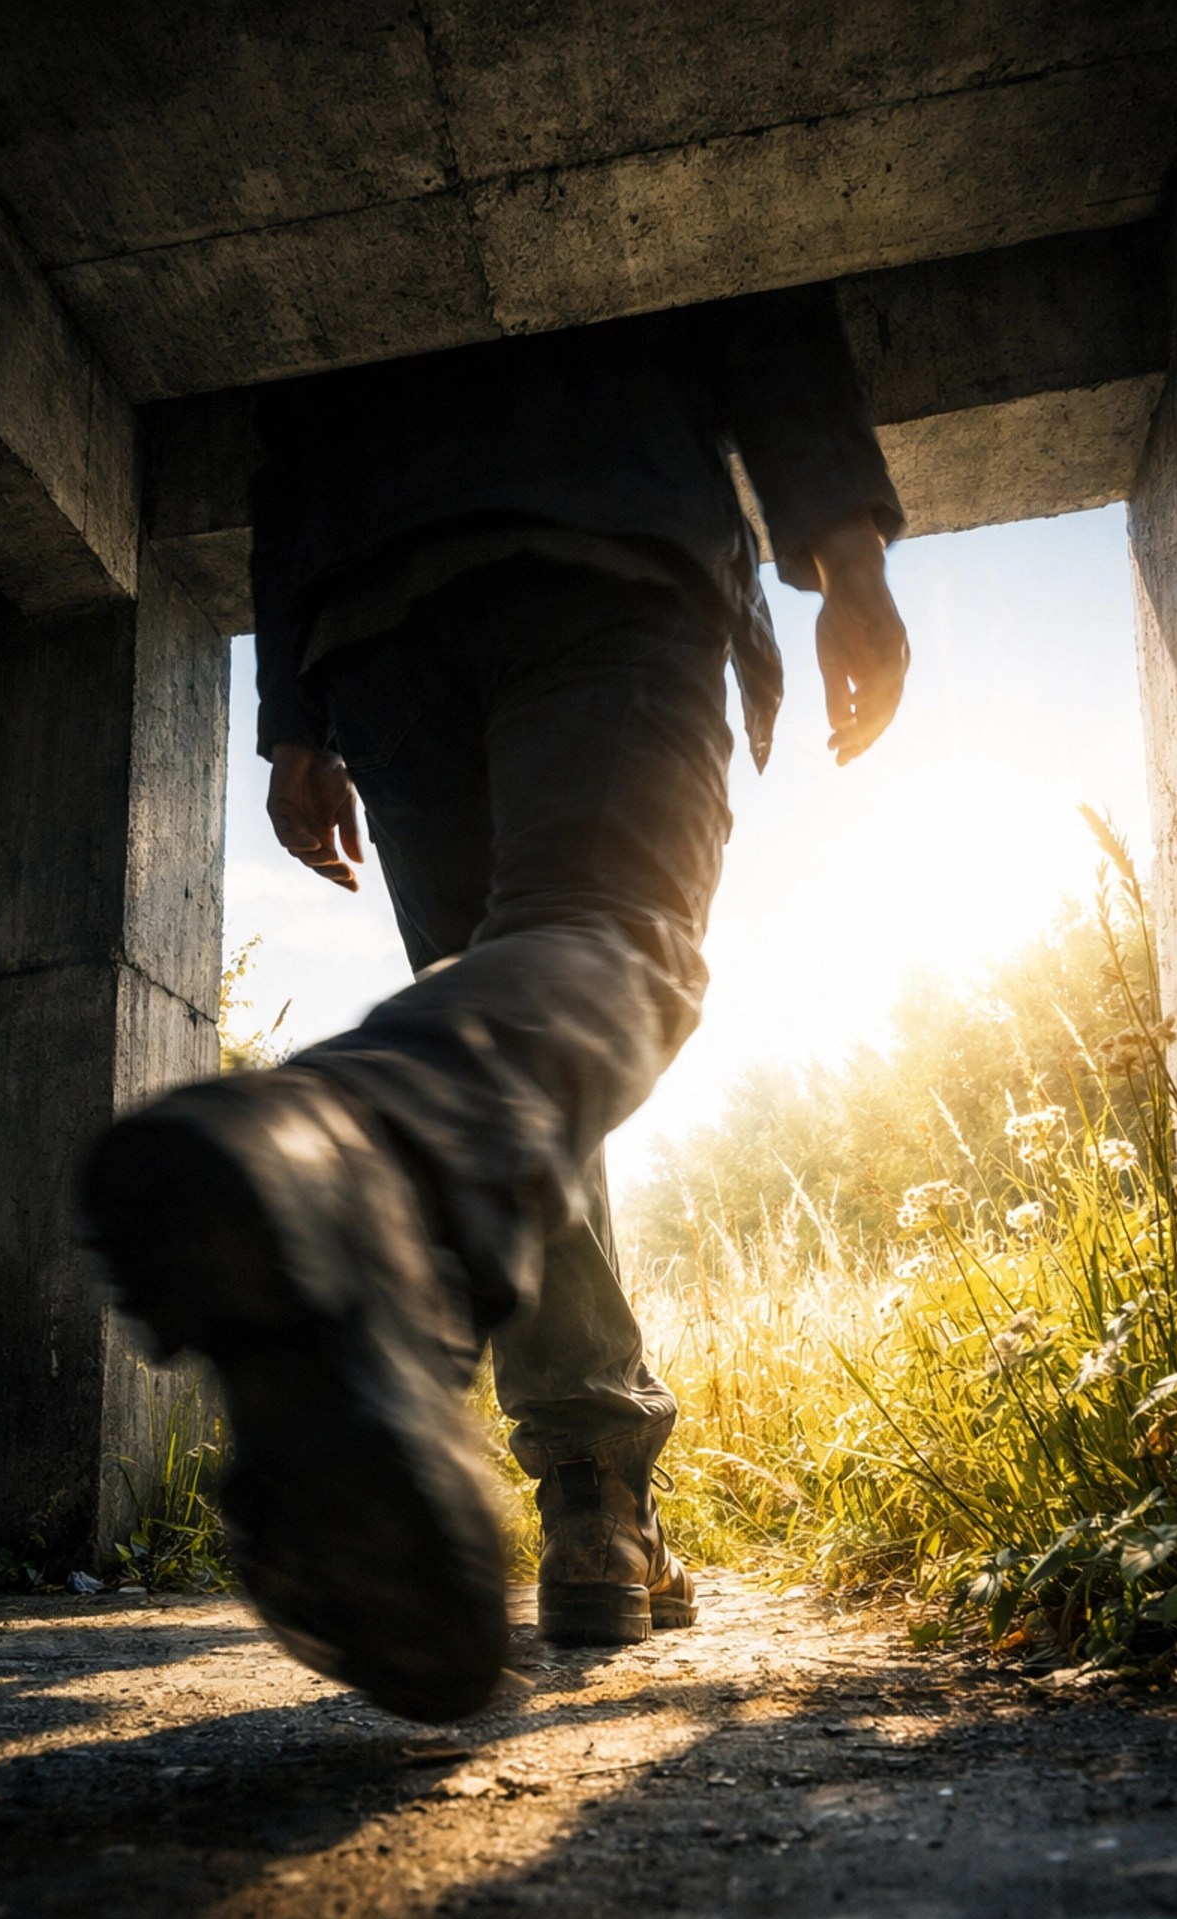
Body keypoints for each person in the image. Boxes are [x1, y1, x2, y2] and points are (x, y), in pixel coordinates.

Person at [82, 283, 907, 1722]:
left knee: (512, 1037)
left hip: (377, 610)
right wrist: (846, 557)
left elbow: (290, 438)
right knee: (608, 946)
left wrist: (294, 722)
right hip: (602, 543)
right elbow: (745, 269)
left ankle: (579, 1492)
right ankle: (371, 1148)